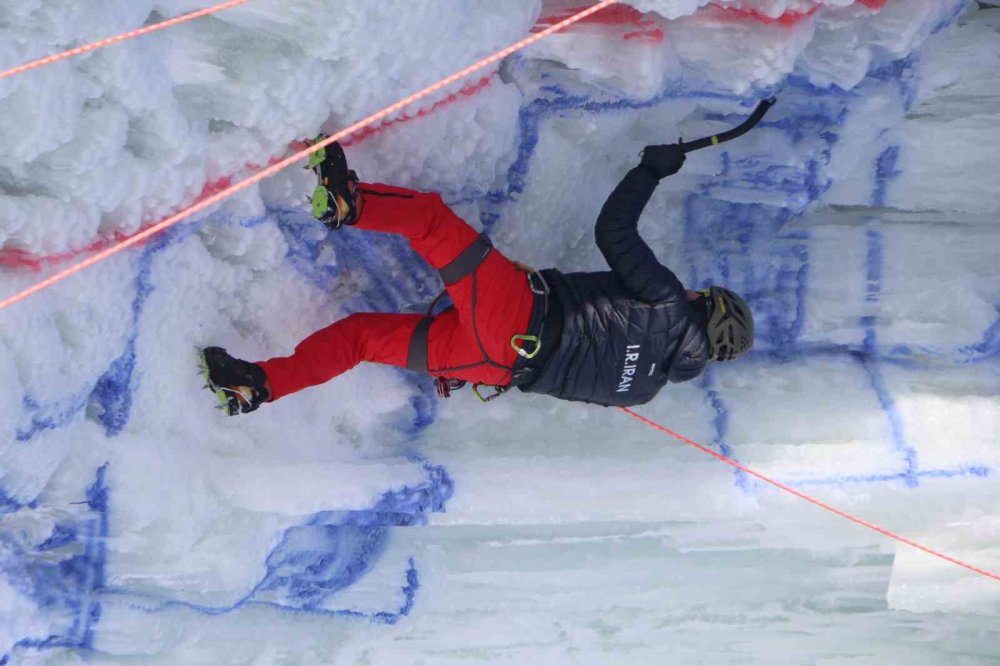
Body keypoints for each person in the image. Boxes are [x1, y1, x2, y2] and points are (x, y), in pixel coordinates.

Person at [202, 142, 754, 415]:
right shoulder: (645, 390)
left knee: (433, 222)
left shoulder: (667, 305)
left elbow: (614, 231)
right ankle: (259, 385)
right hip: (491, 363)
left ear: (704, 306)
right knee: (362, 339)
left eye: (697, 294)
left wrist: (650, 168)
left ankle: (350, 202)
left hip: (514, 313)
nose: (688, 292)